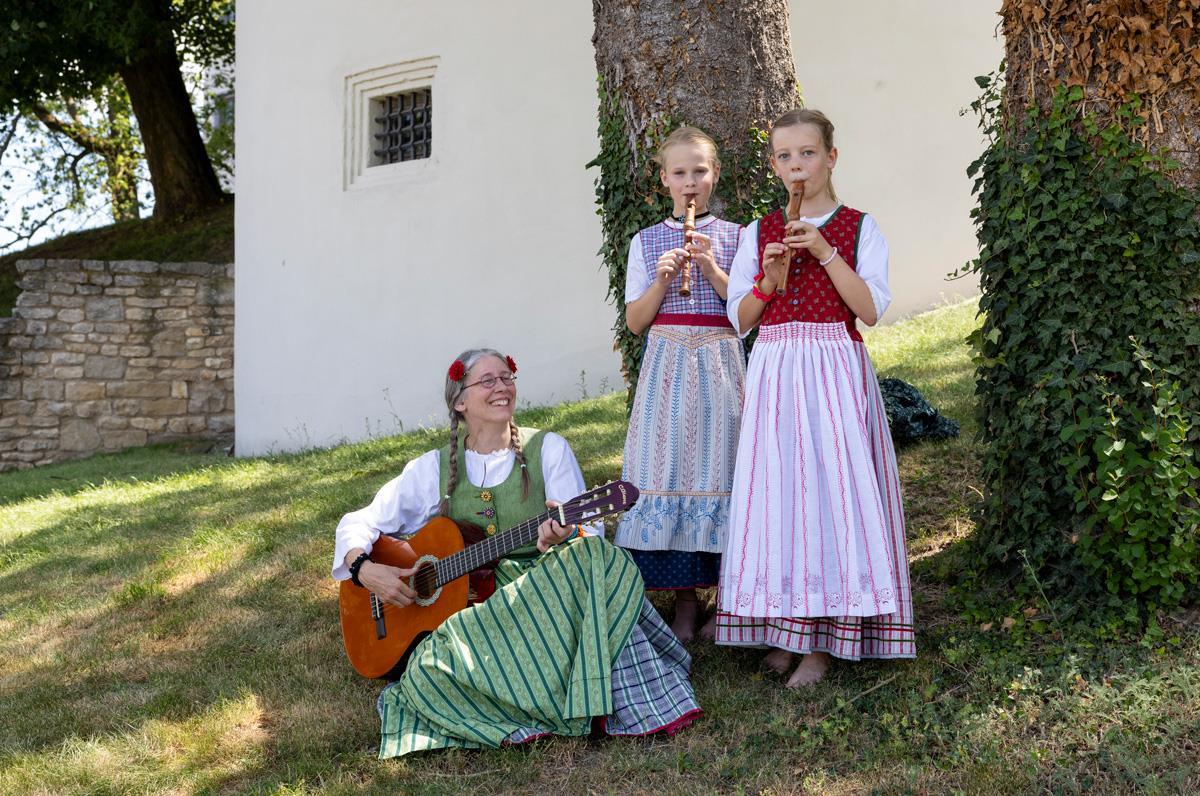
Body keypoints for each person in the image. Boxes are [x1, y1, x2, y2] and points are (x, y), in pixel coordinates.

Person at [333, 348, 701, 756]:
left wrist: (564, 535)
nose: (501, 387)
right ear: (460, 400)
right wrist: (365, 571)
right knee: (424, 671)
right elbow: (357, 522)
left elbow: (590, 535)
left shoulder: (548, 449)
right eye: (487, 380)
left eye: (507, 377)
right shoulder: (431, 469)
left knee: (593, 559)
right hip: (479, 611)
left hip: (544, 591)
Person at [713, 109, 916, 687]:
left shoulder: (858, 226)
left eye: (807, 153)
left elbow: (870, 311)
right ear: (775, 164)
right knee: (782, 501)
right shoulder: (760, 231)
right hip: (777, 371)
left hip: (833, 374)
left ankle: (826, 643)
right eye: (784, 156)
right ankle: (787, 628)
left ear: (831, 156)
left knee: (831, 499)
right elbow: (743, 320)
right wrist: (770, 276)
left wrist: (826, 252)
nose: (796, 165)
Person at [612, 126, 745, 643]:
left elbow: (746, 314)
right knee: (667, 470)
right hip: (668, 365)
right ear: (664, 179)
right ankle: (683, 602)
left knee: (723, 470)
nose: (691, 183)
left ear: (714, 176)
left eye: (700, 171)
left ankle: (727, 600)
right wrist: (663, 279)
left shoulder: (738, 236)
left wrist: (709, 265)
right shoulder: (644, 242)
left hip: (718, 361)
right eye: (681, 173)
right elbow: (636, 322)